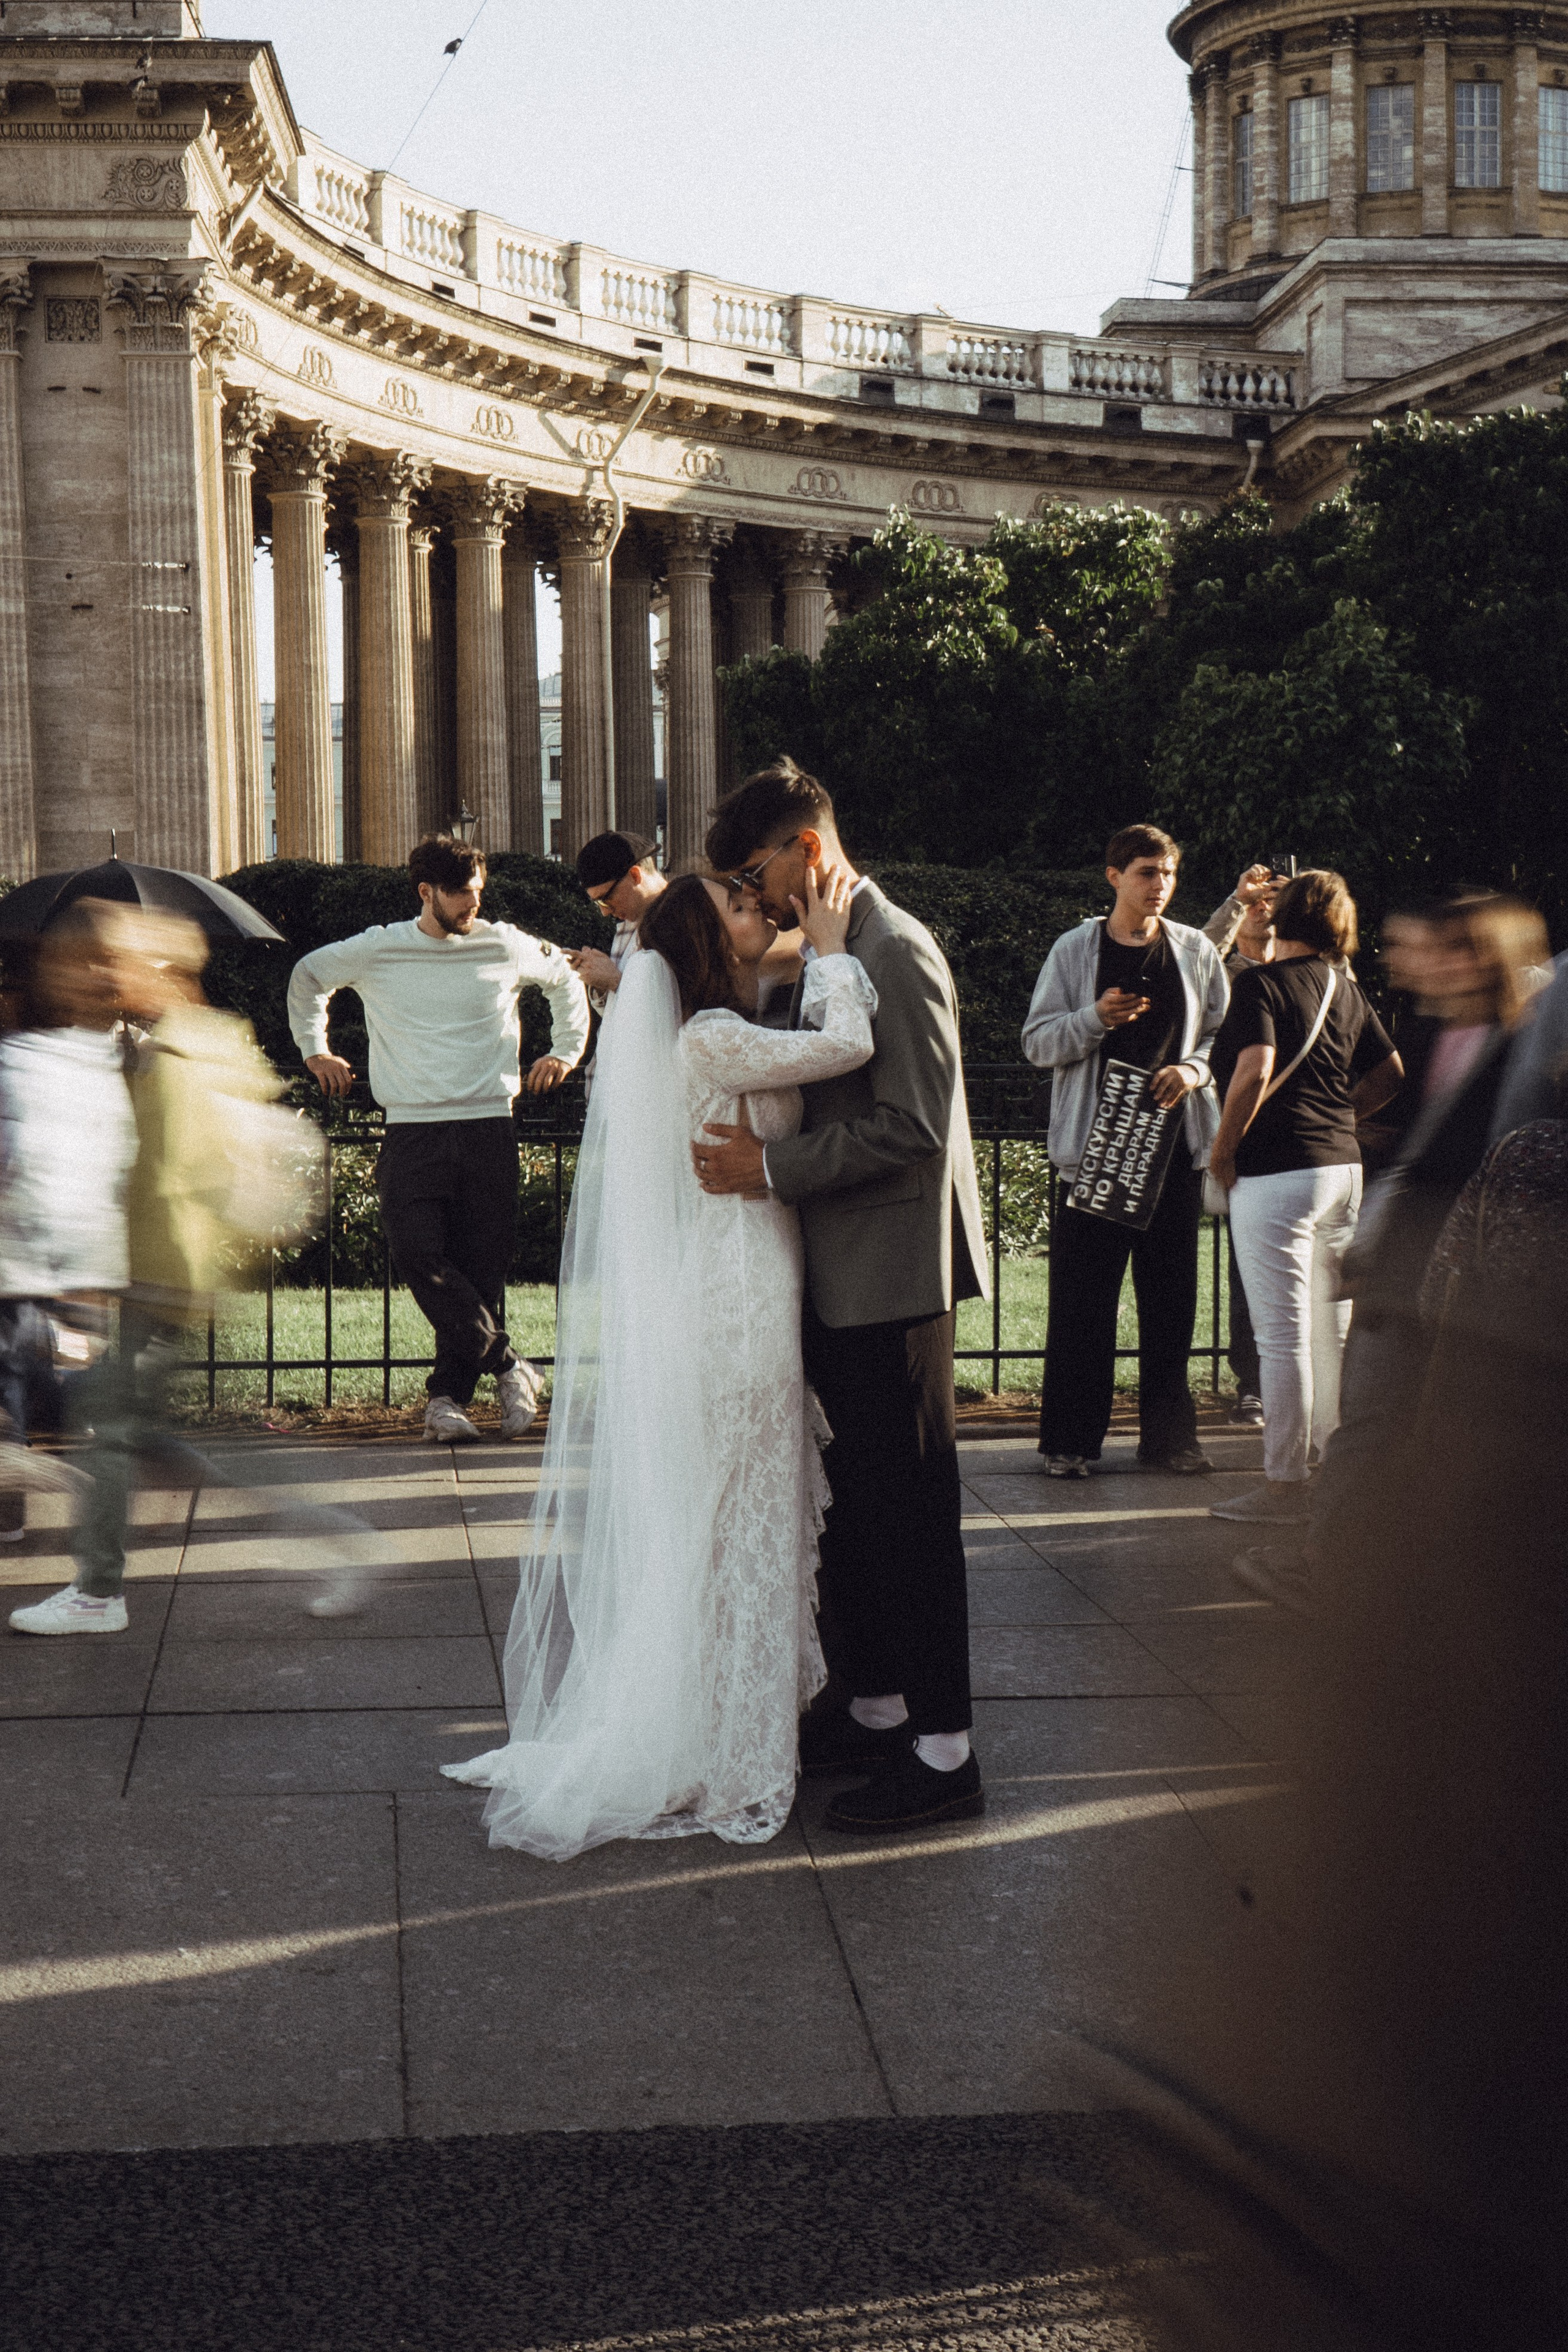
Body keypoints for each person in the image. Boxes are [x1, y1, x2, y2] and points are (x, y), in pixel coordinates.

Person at [443, 864, 876, 1858]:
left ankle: (710, 1723)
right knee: (740, 1515)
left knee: (727, 1516)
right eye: (736, 904)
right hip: (739, 1291)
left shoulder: (704, 1034)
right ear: (702, 940)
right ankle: (731, 1749)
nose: (755, 909)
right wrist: (838, 946)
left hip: (731, 1279)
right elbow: (849, 1042)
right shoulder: (712, 1038)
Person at [696, 760, 989, 1834]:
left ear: (804, 853)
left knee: (910, 1521)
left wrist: (768, 1174)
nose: (751, 895)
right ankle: (873, 1709)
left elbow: (910, 1126)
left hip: (893, 1278)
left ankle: (946, 1754)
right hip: (843, 1273)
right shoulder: (833, 948)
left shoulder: (894, 949)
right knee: (861, 1516)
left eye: (750, 871)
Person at [287, 833, 590, 1444]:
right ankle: (509, 1367)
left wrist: (565, 1052)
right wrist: (316, 1050)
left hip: (488, 1125)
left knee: (481, 1273)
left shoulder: (504, 943)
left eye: (477, 895)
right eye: (460, 897)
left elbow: (565, 980)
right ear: (426, 892)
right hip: (413, 1129)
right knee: (417, 1254)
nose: (471, 907)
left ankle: (447, 1401)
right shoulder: (380, 949)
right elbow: (310, 974)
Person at [1303, 891, 1548, 1580]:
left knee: (1384, 1425)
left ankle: (1339, 1568)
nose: (1401, 963)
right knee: (1375, 1422)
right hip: (1407, 1268)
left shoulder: (1521, 1047)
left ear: (1471, 959)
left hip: (1455, 1280)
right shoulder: (1433, 1035)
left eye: (1420, 948)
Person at [1022, 824, 1229, 1480]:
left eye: (1168, 873)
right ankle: (1070, 1443)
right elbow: (1037, 1042)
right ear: (1113, 876)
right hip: (1096, 1152)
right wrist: (1094, 1019)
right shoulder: (1074, 949)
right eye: (1146, 872)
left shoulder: (1196, 951)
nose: (1159, 886)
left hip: (1171, 1150)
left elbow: (1227, 1034)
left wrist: (1193, 1071)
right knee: (1083, 1304)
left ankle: (1170, 1441)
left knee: (1170, 1303)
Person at [1205, 870, 1401, 1528]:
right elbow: (1389, 1072)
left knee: (1280, 1336)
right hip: (1341, 1171)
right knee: (1331, 1333)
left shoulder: (1259, 983)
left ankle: (1283, 1483)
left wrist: (1224, 1148)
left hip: (1276, 1174)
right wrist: (1341, 1117)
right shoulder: (1344, 987)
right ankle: (1333, 1466)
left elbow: (1254, 1066)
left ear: (1282, 917)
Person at [2, 903, 138, 1634]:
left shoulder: (48, 1060)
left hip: (39, 1278)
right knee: (93, 1421)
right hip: (49, 1279)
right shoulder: (75, 1056)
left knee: (102, 1427)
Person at [1204, 864, 1284, 1430]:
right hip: (1246, 1131)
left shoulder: (1320, 971)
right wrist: (1237, 901)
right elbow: (1195, 953)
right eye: (1258, 900)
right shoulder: (1224, 971)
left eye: (1275, 900)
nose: (1264, 906)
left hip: (1304, 1137)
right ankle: (1252, 1385)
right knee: (1246, 1269)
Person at [565, 829, 665, 1003]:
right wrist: (601, 982)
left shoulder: (687, 914)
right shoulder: (629, 924)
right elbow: (617, 1018)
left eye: (606, 898)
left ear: (635, 875)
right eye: (598, 903)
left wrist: (616, 981)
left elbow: (682, 1005)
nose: (605, 912)